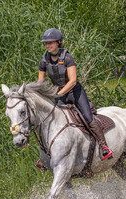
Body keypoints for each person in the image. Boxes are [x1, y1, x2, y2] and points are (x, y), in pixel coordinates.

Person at [36, 28, 113, 167]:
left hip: (74, 92)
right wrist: (40, 94)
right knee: (47, 119)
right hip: (58, 93)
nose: (48, 46)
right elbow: (40, 82)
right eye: (46, 43)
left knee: (88, 118)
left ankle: (104, 146)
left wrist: (58, 94)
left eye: (50, 43)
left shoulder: (67, 57)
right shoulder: (44, 61)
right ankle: (46, 155)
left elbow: (72, 81)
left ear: (58, 42)